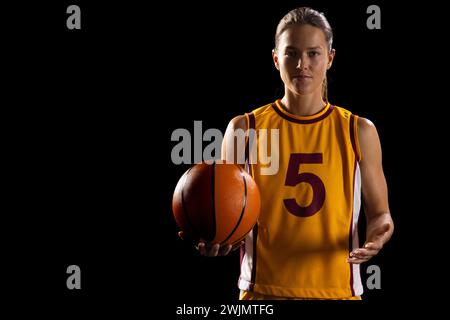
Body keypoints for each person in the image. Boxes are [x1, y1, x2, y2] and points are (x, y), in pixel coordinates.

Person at [179, 7, 394, 300]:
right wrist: (216, 236)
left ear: (330, 59)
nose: (301, 64)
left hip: (338, 292)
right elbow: (226, 210)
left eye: (313, 53)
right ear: (275, 58)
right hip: (261, 293)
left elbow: (381, 214)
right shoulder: (244, 128)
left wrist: (377, 237)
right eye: (291, 53)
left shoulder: (359, 131)